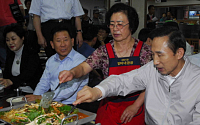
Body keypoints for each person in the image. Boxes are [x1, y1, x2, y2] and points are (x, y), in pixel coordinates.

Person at [73, 26, 200, 125]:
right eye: (153, 54)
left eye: (160, 55)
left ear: (179, 53)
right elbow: (124, 80)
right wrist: (98, 91)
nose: (155, 61)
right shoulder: (153, 69)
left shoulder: (196, 81)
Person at [59, 3, 152, 125]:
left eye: (120, 24)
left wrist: (135, 106)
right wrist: (72, 72)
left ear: (131, 25)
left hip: (136, 107)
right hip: (109, 107)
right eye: (112, 25)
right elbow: (84, 67)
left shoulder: (144, 51)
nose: (115, 29)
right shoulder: (104, 51)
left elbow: (151, 82)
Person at [25, 25, 88, 104]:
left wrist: (42, 98)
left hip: (75, 105)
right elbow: (44, 83)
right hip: (52, 103)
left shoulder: (80, 61)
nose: (62, 44)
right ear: (52, 44)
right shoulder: (51, 60)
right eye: (58, 41)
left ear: (72, 42)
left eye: (65, 40)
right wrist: (34, 99)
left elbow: (69, 90)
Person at [0, 24, 42, 91]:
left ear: (22, 38)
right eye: (7, 40)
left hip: (31, 91)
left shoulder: (32, 54)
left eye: (13, 39)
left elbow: (28, 74)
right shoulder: (10, 54)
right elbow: (7, 75)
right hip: (14, 92)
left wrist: (11, 81)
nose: (10, 42)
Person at [0, 0, 25, 68]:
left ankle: (6, 66)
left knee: (2, 47)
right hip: (13, 22)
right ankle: (18, 64)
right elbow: (21, 8)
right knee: (17, 45)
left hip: (1, 24)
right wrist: (23, 20)